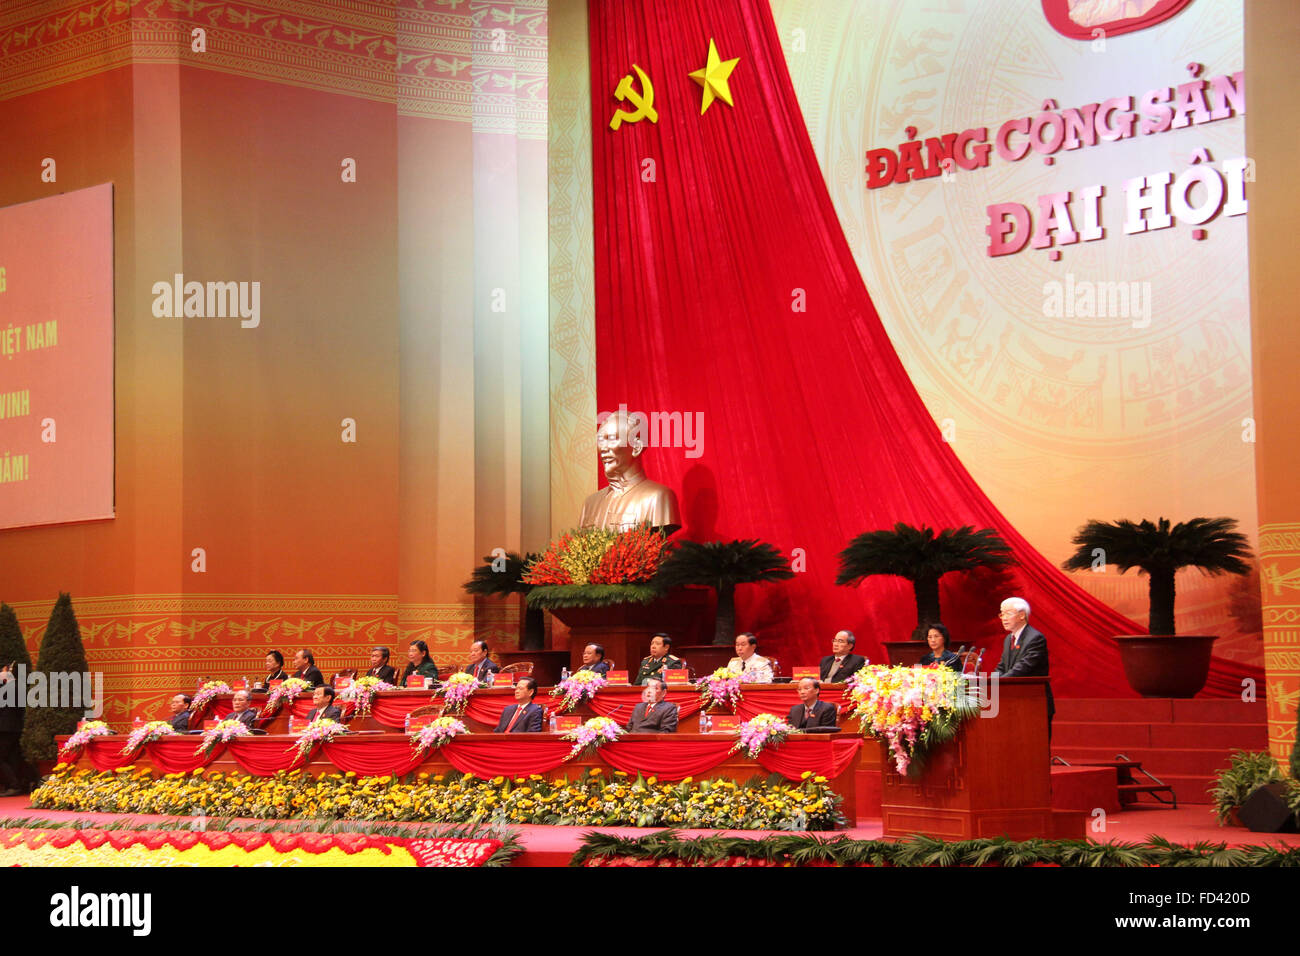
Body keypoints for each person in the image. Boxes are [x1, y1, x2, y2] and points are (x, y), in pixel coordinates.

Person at [579, 413, 682, 533]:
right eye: (601, 440)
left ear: (636, 447)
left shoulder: (658, 498)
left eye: (612, 439)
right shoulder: (590, 504)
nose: (603, 448)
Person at [993, 597, 1055, 737]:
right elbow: (1002, 666)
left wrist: (997, 683)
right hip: (1014, 704)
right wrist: (990, 683)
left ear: (1022, 615)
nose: (1003, 618)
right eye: (1002, 614)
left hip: (1034, 703)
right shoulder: (1009, 638)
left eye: (1008, 613)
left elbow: (1021, 669)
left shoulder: (1035, 638)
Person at [0, 663, 29, 796]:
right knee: (13, 757)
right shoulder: (19, 688)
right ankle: (22, 783)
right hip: (16, 728)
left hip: (5, 729)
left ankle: (14, 785)